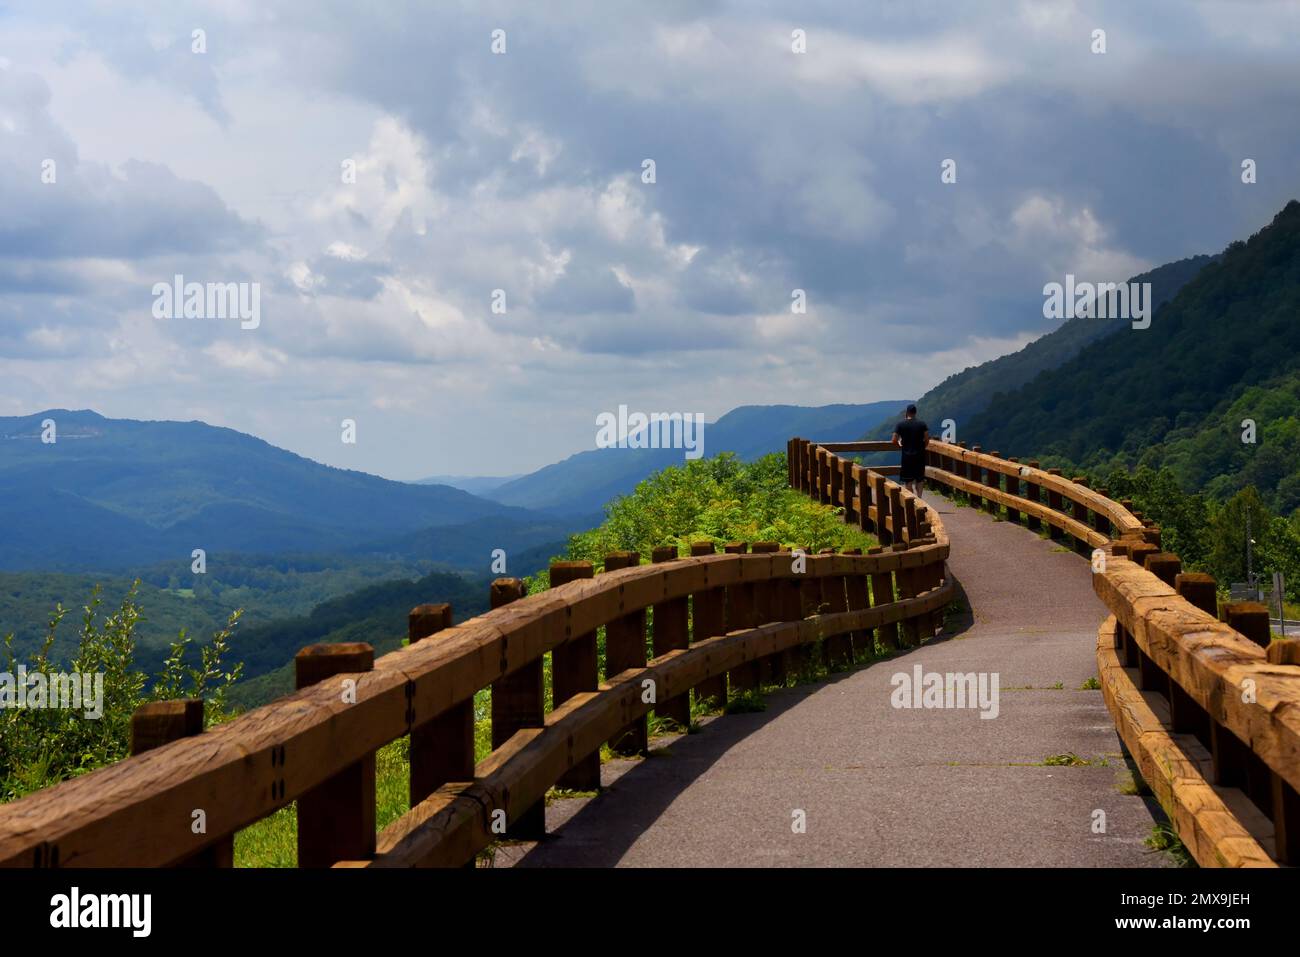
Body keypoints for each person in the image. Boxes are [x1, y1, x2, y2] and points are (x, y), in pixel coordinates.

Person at [891, 404, 930, 498]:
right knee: (919, 479)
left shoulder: (900, 424)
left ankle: (912, 501)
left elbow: (894, 440)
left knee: (908, 480)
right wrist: (922, 447)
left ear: (907, 412)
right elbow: (927, 439)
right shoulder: (922, 424)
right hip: (919, 455)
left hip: (907, 456)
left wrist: (900, 444)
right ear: (915, 412)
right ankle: (920, 498)